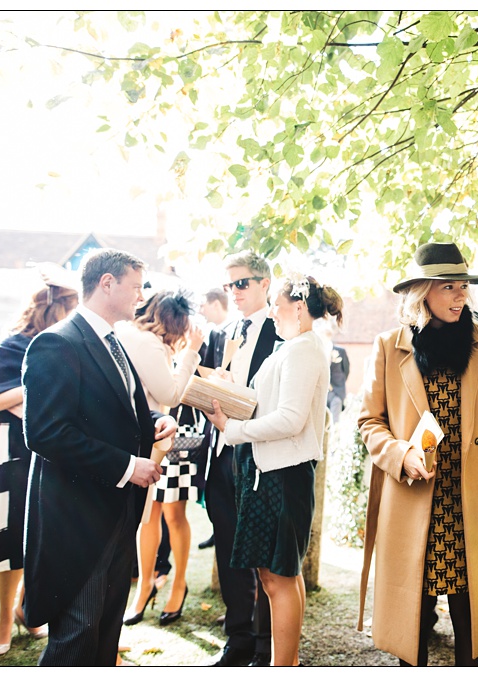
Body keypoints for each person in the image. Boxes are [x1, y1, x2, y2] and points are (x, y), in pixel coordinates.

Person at [356, 242, 478, 666]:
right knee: (411, 627)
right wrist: (400, 454)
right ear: (422, 292)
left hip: (473, 504)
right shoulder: (389, 346)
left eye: (463, 285)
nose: (460, 295)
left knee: (473, 620)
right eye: (448, 286)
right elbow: (369, 422)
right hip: (414, 500)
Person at [21, 248, 177, 666]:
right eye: (136, 286)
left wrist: (157, 420)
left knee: (106, 630)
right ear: (106, 283)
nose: (141, 297)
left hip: (118, 510)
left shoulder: (112, 339)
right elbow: (46, 433)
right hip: (80, 520)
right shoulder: (57, 343)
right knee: (79, 632)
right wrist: (128, 466)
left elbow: (118, 407)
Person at [208, 273, 343, 667]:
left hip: (282, 477)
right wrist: (229, 391)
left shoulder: (302, 349)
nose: (272, 312)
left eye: (277, 305)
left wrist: (233, 431)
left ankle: (284, 666)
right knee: (275, 576)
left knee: (280, 578)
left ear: (298, 307)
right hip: (270, 472)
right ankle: (287, 664)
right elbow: (270, 404)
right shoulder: (293, 347)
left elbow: (290, 419)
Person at [0, 278, 77, 656]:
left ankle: (27, 607)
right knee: (10, 538)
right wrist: (37, 384)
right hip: (10, 450)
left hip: (53, 447)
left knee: (43, 534)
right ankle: (4, 618)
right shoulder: (10, 342)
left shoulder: (66, 345)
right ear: (56, 310)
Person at [203, 251, 281, 666]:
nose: (232, 292)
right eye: (227, 285)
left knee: (263, 557)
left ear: (265, 284)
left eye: (241, 284)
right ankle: (238, 639)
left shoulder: (283, 331)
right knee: (229, 553)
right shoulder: (223, 332)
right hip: (220, 457)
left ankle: (266, 644)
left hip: (260, 458)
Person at [114, 289, 203, 627]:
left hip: (169, 445)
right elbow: (170, 393)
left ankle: (175, 584)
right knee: (150, 519)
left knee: (170, 517)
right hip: (154, 444)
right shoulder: (148, 343)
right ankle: (148, 585)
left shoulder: (130, 334)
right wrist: (190, 353)